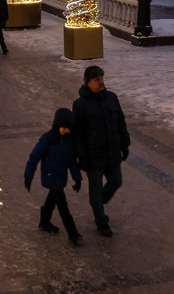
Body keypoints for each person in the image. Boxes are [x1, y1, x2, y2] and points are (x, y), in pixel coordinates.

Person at [72, 65, 130, 237]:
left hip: (112, 152)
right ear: (88, 83)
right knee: (95, 190)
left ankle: (98, 202)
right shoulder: (80, 105)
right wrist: (81, 156)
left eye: (102, 78)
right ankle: (101, 221)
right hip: (93, 156)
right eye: (97, 79)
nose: (101, 82)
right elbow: (77, 133)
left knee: (116, 181)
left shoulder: (111, 98)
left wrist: (124, 144)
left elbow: (120, 121)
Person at [24, 108, 83, 246]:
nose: (66, 131)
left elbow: (72, 162)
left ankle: (44, 222)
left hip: (61, 176)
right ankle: (72, 232)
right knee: (63, 205)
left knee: (52, 199)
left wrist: (77, 178)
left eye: (68, 129)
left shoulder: (68, 141)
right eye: (64, 128)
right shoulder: (47, 139)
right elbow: (34, 157)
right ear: (57, 125)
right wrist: (29, 175)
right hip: (50, 176)